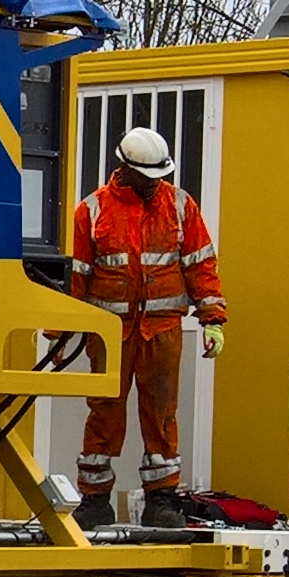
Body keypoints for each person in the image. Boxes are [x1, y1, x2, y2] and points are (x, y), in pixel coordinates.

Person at [70, 124, 222, 518]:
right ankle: (95, 499)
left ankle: (161, 499)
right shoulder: (92, 210)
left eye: (161, 176)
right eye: (149, 176)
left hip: (162, 330)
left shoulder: (180, 206)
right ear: (127, 169)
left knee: (161, 413)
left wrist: (213, 319)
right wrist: (59, 332)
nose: (157, 183)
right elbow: (78, 276)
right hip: (110, 333)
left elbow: (201, 264)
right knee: (104, 412)